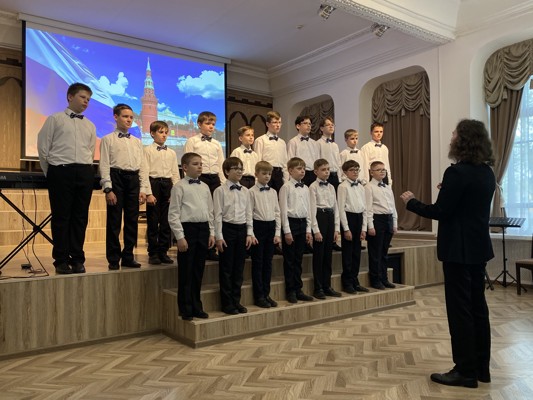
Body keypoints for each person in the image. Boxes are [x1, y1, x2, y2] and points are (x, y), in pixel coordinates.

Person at [400, 119, 495, 388]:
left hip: (457, 251)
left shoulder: (456, 173)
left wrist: (411, 203)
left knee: (460, 311)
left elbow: (441, 212)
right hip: (478, 248)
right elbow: (467, 203)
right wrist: (449, 191)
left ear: (463, 140)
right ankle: (481, 369)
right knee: (478, 308)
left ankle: (464, 371)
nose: (451, 136)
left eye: (454, 133)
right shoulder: (487, 172)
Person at [37, 82, 96, 274]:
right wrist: (52, 173)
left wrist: (86, 171)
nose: (86, 102)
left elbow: (90, 151)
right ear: (70, 97)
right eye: (82, 97)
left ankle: (77, 259)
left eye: (88, 99)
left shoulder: (90, 125)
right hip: (60, 171)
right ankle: (61, 260)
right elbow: (43, 149)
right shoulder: (54, 119)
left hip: (84, 172)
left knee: (80, 218)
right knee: (61, 217)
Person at [99, 103, 148, 270]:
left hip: (133, 180)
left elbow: (143, 166)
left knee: (131, 220)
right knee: (114, 221)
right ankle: (113, 258)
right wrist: (108, 188)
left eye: (131, 117)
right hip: (116, 178)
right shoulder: (107, 139)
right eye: (125, 116)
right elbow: (104, 165)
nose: (129, 120)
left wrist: (143, 189)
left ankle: (128, 256)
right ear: (116, 117)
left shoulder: (137, 141)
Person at [168, 152, 215, 321]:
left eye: (201, 164)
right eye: (195, 164)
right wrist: (180, 237)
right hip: (188, 230)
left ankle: (197, 306)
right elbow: (173, 214)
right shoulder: (179, 187)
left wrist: (211, 232)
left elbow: (210, 211)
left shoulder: (205, 187)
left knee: (198, 271)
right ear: (185, 167)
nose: (200, 166)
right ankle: (185, 308)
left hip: (203, 229)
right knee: (186, 271)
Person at [213, 157, 256, 315]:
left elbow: (249, 213)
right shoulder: (220, 191)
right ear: (226, 171)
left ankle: (236, 301)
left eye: (241, 168)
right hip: (227, 229)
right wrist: (218, 236)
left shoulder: (245, 191)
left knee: (239, 268)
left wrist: (249, 233)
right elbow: (217, 215)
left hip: (242, 229)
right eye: (235, 168)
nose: (239, 171)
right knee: (226, 268)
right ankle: (227, 303)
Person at [143, 120, 180, 265]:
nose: (164, 135)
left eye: (166, 132)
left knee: (166, 221)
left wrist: (175, 191)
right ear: (152, 134)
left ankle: (163, 251)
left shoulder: (171, 152)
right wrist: (148, 193)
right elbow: (144, 172)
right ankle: (153, 252)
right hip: (154, 184)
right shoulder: (147, 150)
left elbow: (175, 174)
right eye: (160, 132)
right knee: (153, 221)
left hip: (167, 185)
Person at [279, 157, 314, 304]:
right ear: (290, 171)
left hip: (302, 223)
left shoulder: (306, 188)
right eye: (299, 169)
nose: (302, 171)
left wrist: (308, 230)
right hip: (291, 224)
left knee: (299, 259)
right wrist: (287, 231)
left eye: (304, 168)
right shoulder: (286, 187)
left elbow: (308, 210)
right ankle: (290, 291)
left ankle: (298, 289)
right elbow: (283, 211)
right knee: (290, 260)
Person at [249, 161, 281, 308]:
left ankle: (266, 294)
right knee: (258, 262)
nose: (267, 176)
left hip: (270, 227)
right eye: (264, 173)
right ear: (256, 174)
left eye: (269, 173)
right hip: (258, 227)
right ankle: (259, 296)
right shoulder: (251, 192)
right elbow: (249, 214)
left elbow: (277, 212)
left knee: (268, 262)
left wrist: (277, 233)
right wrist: (250, 233)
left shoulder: (273, 192)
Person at [309, 158, 341, 299]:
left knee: (328, 255)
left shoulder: (331, 187)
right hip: (319, 217)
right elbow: (311, 210)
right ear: (316, 171)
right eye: (323, 170)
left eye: (328, 169)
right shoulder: (312, 187)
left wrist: (336, 228)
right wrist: (315, 230)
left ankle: (327, 286)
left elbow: (335, 207)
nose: (327, 172)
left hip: (330, 217)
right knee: (319, 256)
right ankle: (318, 288)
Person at [365, 160, 397, 290]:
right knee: (375, 253)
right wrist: (370, 226)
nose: (382, 171)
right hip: (377, 220)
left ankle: (384, 278)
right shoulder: (368, 187)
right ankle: (375, 279)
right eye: (379, 169)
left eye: (384, 169)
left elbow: (393, 206)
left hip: (388, 219)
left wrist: (394, 223)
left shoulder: (387, 187)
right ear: (371, 172)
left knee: (384, 252)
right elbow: (368, 208)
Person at [338, 160, 368, 293]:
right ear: (345, 172)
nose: (355, 172)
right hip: (348, 219)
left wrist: (364, 228)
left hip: (359, 218)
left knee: (357, 253)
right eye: (352, 170)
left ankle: (355, 280)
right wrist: (346, 229)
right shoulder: (342, 187)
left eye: (357, 169)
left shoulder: (361, 187)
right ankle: (347, 282)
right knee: (348, 253)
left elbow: (365, 208)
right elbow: (341, 209)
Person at [183, 111, 225, 193]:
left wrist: (223, 182)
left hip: (215, 179)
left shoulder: (217, 143)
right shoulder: (192, 141)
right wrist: (189, 182)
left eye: (213, 124)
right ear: (199, 124)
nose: (211, 127)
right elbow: (186, 163)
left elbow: (221, 163)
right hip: (199, 177)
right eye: (208, 124)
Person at [254, 111, 288, 192]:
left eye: (279, 122)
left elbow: (285, 163)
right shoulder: (260, 140)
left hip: (279, 174)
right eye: (275, 122)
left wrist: (286, 180)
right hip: (266, 173)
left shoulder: (282, 142)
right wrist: (257, 180)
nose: (278, 125)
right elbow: (257, 161)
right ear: (268, 124)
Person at [286, 115, 318, 187]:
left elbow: (316, 160)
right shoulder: (293, 142)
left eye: (310, 124)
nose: (308, 126)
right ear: (298, 126)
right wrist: (290, 178)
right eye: (305, 123)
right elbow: (290, 161)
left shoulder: (314, 143)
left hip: (313, 174)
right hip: (299, 173)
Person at [316, 117, 341, 190]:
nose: (331, 126)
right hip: (324, 176)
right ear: (322, 128)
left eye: (332, 125)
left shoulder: (335, 145)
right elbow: (317, 162)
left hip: (335, 176)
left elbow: (338, 163)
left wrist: (339, 178)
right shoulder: (318, 143)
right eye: (328, 125)